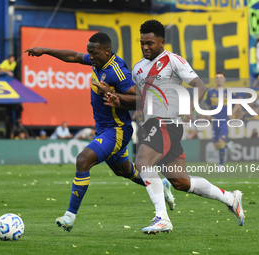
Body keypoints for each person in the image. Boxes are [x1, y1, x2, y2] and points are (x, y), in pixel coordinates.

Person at [103, 20, 245, 234]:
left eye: (150, 43)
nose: (145, 47)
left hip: (166, 124)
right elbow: (140, 100)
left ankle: (162, 217)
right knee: (181, 182)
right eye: (142, 43)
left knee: (142, 161)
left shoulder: (173, 60)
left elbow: (200, 85)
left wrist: (190, 106)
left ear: (161, 41)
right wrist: (119, 100)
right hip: (151, 125)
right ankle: (230, 198)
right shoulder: (138, 68)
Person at [24, 31, 175, 232]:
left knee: (82, 160)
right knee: (123, 170)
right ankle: (159, 183)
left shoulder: (117, 72)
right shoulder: (99, 61)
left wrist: (112, 94)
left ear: (106, 51)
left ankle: (69, 216)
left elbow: (141, 99)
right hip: (104, 129)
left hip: (118, 130)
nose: (90, 57)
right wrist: (44, 50)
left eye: (93, 53)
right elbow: (73, 57)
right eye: (89, 53)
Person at [206, 72, 234, 171]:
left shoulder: (229, 91)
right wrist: (208, 113)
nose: (219, 79)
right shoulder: (210, 91)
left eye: (221, 77)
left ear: (224, 79)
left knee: (221, 142)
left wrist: (232, 112)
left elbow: (237, 103)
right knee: (216, 145)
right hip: (214, 120)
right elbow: (207, 104)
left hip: (224, 120)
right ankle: (228, 145)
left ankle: (221, 165)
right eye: (217, 77)